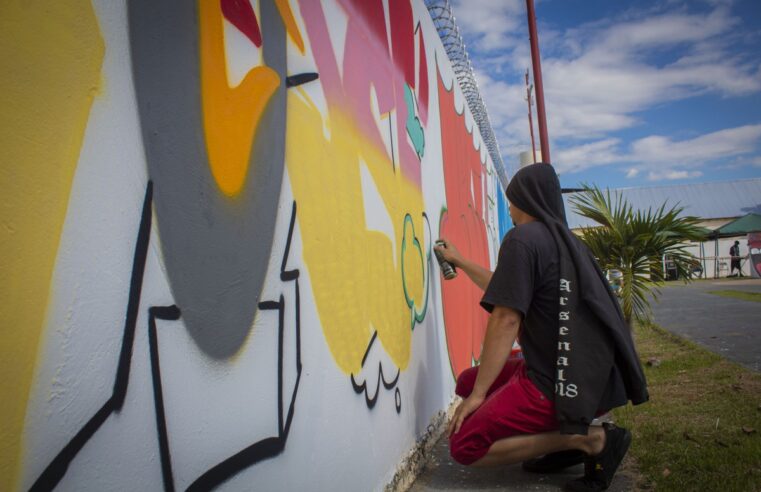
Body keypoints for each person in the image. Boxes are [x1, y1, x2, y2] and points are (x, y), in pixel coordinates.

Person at [434, 163, 648, 492]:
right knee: (466, 380)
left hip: (557, 383)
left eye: (512, 197)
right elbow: (505, 288)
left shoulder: (521, 239)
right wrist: (460, 262)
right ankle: (562, 443)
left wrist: (479, 396)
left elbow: (506, 317)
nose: (508, 205)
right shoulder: (566, 243)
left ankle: (588, 440)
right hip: (588, 377)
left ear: (526, 198)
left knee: (465, 446)